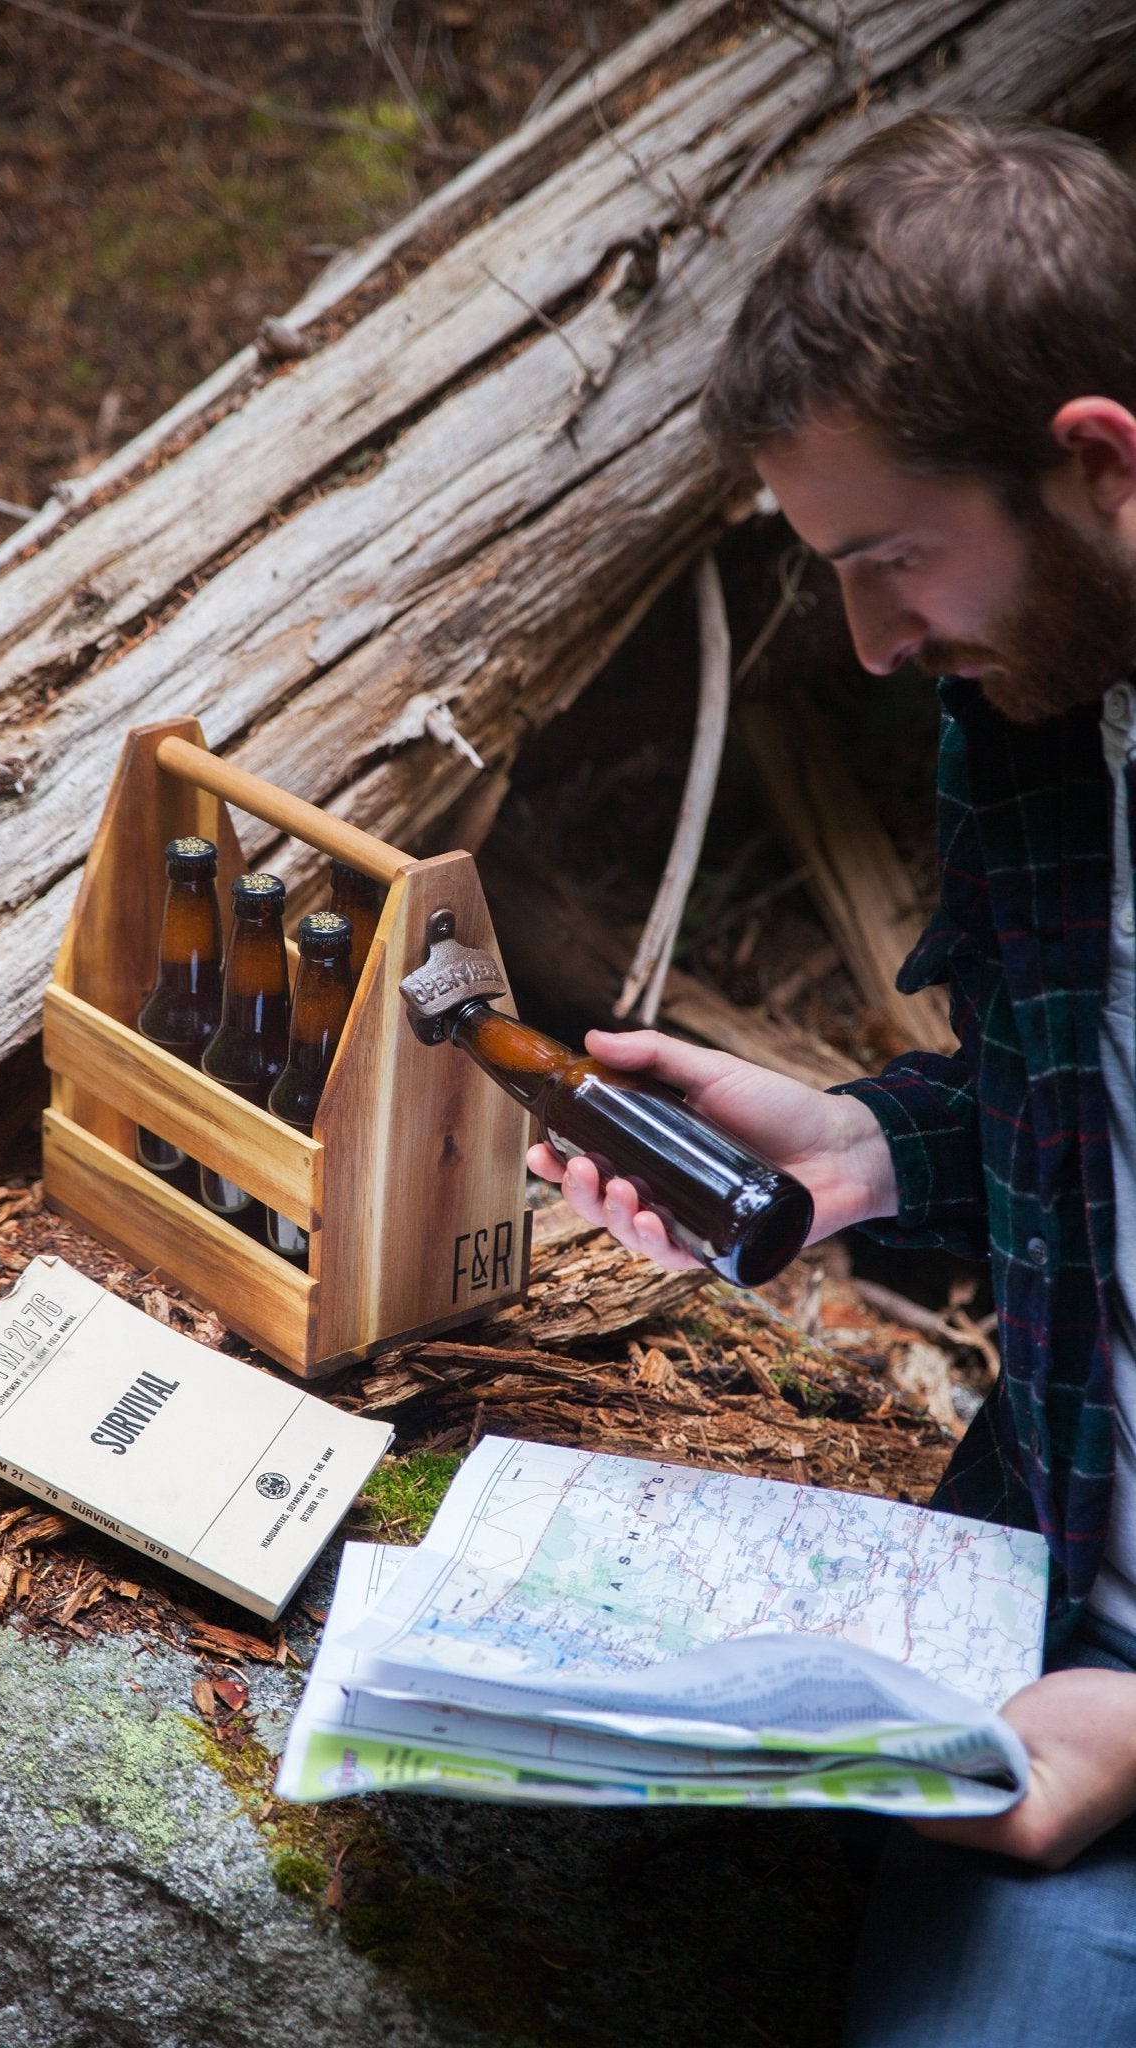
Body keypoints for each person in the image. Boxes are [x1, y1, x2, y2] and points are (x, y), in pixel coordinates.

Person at [530, 112, 1136, 2044]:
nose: (871, 645)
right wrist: (865, 1143)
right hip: (1051, 1602)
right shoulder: (1033, 718)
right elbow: (1072, 1110)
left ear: (1100, 462)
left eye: (891, 562)